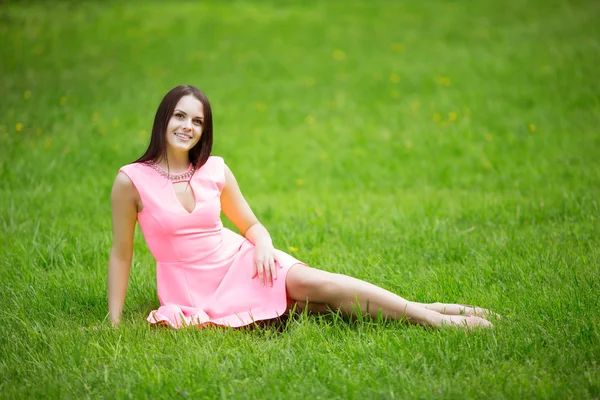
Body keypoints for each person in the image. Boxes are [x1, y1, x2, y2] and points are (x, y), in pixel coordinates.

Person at [108, 85, 495, 329]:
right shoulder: (132, 180)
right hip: (193, 287)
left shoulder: (215, 169)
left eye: (197, 120)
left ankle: (433, 315)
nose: (187, 126)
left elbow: (252, 225)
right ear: (164, 118)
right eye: (180, 115)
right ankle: (428, 311)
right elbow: (121, 253)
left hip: (243, 260)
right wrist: (114, 320)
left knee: (317, 285)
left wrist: (262, 244)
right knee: (321, 307)